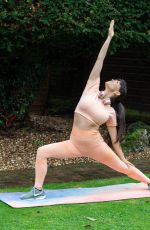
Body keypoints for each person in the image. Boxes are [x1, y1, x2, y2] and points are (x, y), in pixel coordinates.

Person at [21, 20, 150, 200]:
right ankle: (38, 190)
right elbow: (100, 59)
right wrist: (109, 37)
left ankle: (148, 182)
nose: (113, 79)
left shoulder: (111, 112)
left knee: (123, 167)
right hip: (74, 144)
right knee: (42, 151)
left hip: (95, 146)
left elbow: (114, 141)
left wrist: (123, 157)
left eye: (116, 81)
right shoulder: (91, 87)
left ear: (117, 91)